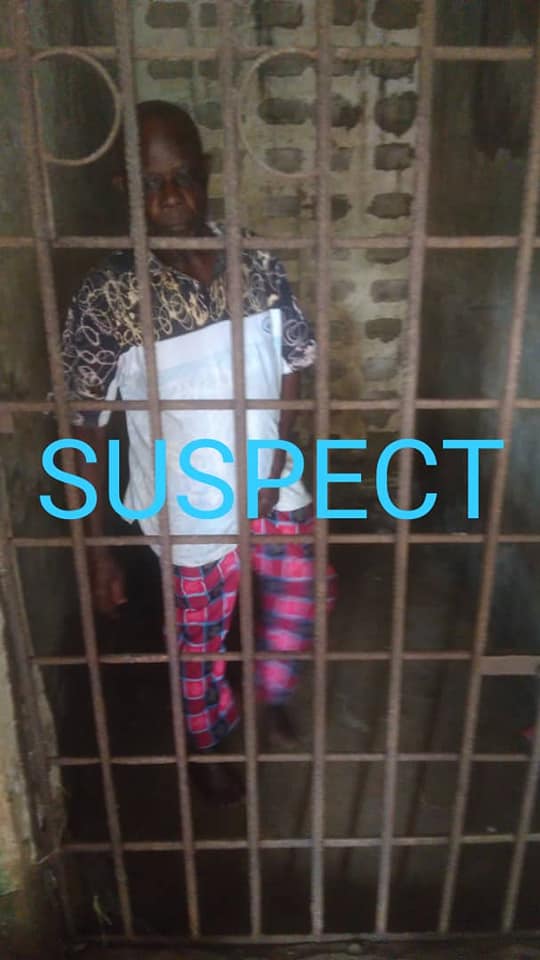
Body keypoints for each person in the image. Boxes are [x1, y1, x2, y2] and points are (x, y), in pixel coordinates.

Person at [62, 100, 336, 804]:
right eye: (152, 184)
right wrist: (97, 549)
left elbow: (295, 358)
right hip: (188, 508)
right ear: (125, 188)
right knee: (200, 640)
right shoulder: (109, 295)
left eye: (183, 176)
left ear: (207, 173)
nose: (172, 196)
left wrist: (278, 455)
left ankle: (272, 687)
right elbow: (82, 426)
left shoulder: (256, 262)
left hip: (271, 482)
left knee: (305, 586)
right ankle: (208, 741)